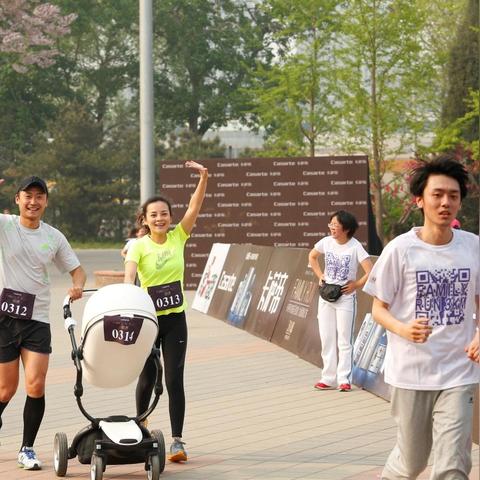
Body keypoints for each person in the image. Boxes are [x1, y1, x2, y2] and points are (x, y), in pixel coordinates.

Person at [363, 155, 479, 480]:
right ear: (420, 200)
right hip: (411, 373)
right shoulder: (400, 250)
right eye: (437, 195)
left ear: (460, 202)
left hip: (459, 371)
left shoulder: (473, 247)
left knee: (453, 465)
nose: (445, 203)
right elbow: (377, 309)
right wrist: (404, 329)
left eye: (453, 196)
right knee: (411, 463)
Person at [124, 160, 208, 463]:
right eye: (154, 215)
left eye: (164, 214)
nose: (159, 218)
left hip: (175, 320)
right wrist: (128, 300)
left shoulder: (178, 237)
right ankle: (140, 426)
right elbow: (129, 277)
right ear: (145, 219)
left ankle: (177, 441)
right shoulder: (138, 246)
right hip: (148, 320)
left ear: (170, 217)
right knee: (147, 378)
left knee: (173, 378)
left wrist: (203, 177)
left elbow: (194, 207)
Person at [0, 176, 86, 470]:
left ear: (46, 202)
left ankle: (27, 448)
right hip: (4, 318)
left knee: (36, 385)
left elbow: (77, 271)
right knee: (5, 390)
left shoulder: (54, 237)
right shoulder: (5, 225)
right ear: (17, 199)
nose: (33, 202)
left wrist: (77, 286)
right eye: (28, 196)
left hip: (36, 319)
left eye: (39, 196)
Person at [309, 210, 373, 392]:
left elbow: (370, 270)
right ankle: (328, 378)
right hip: (326, 296)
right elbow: (312, 256)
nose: (332, 228)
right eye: (331, 224)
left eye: (336, 225)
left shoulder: (355, 246)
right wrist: (320, 275)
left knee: (344, 340)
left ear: (346, 229)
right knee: (327, 337)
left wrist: (356, 285)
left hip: (345, 298)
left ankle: (344, 379)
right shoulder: (326, 242)